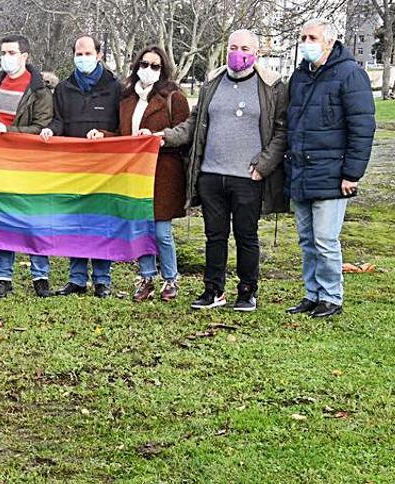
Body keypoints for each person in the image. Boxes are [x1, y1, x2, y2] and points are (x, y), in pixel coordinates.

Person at [159, 29, 288, 311]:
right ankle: (213, 290)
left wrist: (263, 165)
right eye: (233, 46)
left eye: (244, 48)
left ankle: (247, 291)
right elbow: (193, 124)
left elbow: (281, 131)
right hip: (211, 174)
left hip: (248, 177)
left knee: (246, 236)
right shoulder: (212, 83)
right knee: (214, 236)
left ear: (256, 52)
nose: (237, 52)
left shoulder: (271, 86)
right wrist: (165, 136)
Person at [284, 19, 375, 318]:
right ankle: (312, 294)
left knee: (325, 240)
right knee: (307, 241)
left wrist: (352, 173)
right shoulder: (300, 76)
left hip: (332, 175)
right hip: (301, 171)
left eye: (312, 37)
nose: (306, 41)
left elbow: (362, 128)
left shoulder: (350, 75)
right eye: (303, 36)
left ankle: (331, 296)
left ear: (329, 41)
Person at [40, 34, 122, 299]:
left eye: (87, 53)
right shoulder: (64, 88)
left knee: (99, 222)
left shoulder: (115, 88)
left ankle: (101, 279)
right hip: (73, 165)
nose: (82, 58)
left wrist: (105, 136)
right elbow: (59, 121)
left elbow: (121, 128)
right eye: (78, 53)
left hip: (103, 166)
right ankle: (76, 279)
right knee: (75, 222)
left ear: (99, 55)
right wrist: (50, 131)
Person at [0, 34, 54, 298]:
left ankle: (41, 275)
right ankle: (4, 276)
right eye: (3, 53)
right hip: (1, 163)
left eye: (11, 53)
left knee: (34, 218)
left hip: (30, 163)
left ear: (25, 56)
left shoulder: (39, 90)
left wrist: (10, 130)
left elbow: (41, 126)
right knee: (5, 217)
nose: (6, 57)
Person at [121, 47, 190, 302]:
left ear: (163, 70)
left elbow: (185, 132)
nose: (148, 70)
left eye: (155, 66)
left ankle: (170, 279)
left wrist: (160, 139)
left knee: (161, 231)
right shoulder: (127, 99)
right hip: (135, 173)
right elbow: (121, 135)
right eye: (145, 64)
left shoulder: (173, 97)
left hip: (164, 172)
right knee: (141, 228)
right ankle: (146, 277)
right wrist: (101, 136)